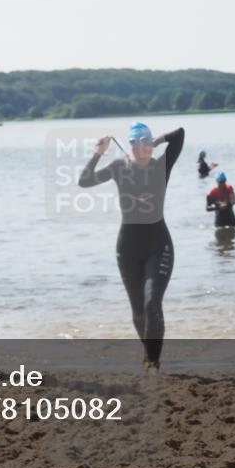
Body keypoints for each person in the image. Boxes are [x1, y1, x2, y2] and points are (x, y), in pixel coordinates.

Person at [79, 122, 184, 370]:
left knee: (151, 303)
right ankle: (149, 355)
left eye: (145, 142)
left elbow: (178, 135)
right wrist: (98, 152)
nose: (141, 148)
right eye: (136, 143)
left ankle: (153, 362)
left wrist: (155, 141)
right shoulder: (119, 167)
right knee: (138, 309)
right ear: (130, 146)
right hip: (128, 247)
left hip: (159, 245)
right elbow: (84, 181)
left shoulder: (161, 166)